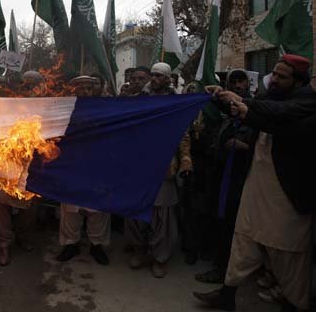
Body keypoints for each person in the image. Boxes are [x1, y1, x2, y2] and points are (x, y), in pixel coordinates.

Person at [195, 55, 315, 312]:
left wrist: (242, 103)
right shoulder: (269, 98)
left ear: (298, 82)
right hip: (256, 185)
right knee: (243, 242)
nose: (275, 79)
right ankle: (227, 295)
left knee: (287, 254)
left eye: (283, 77)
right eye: (275, 73)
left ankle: (295, 304)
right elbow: (245, 112)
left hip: (287, 195)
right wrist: (220, 96)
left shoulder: (307, 102)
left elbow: (273, 116)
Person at [126, 62, 192, 278]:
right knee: (136, 210)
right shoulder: (137, 101)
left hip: (164, 164)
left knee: (161, 214)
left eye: (158, 75)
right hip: (139, 163)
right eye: (152, 75)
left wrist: (185, 159)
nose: (153, 79)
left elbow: (183, 133)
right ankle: (138, 250)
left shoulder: (175, 103)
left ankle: (159, 257)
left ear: (167, 78)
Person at [195, 69, 256, 283]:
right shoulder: (230, 113)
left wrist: (245, 148)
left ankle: (226, 272)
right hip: (221, 178)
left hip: (241, 182)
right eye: (235, 82)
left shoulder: (255, 112)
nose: (239, 86)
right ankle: (220, 265)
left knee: (233, 227)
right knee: (219, 222)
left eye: (243, 82)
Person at [56, 76, 111, 266]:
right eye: (81, 88)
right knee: (70, 208)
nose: (85, 91)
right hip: (72, 164)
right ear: (74, 89)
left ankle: (97, 245)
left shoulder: (106, 108)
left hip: (97, 164)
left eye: (89, 88)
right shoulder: (64, 109)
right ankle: (71, 244)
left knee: (98, 208)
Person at [0, 71, 44, 266]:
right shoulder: (8, 105)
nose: (29, 89)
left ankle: (22, 237)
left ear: (40, 87)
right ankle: (4, 244)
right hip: (6, 161)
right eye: (26, 85)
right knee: (2, 204)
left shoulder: (48, 107)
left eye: (33, 85)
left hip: (33, 165)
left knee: (29, 206)